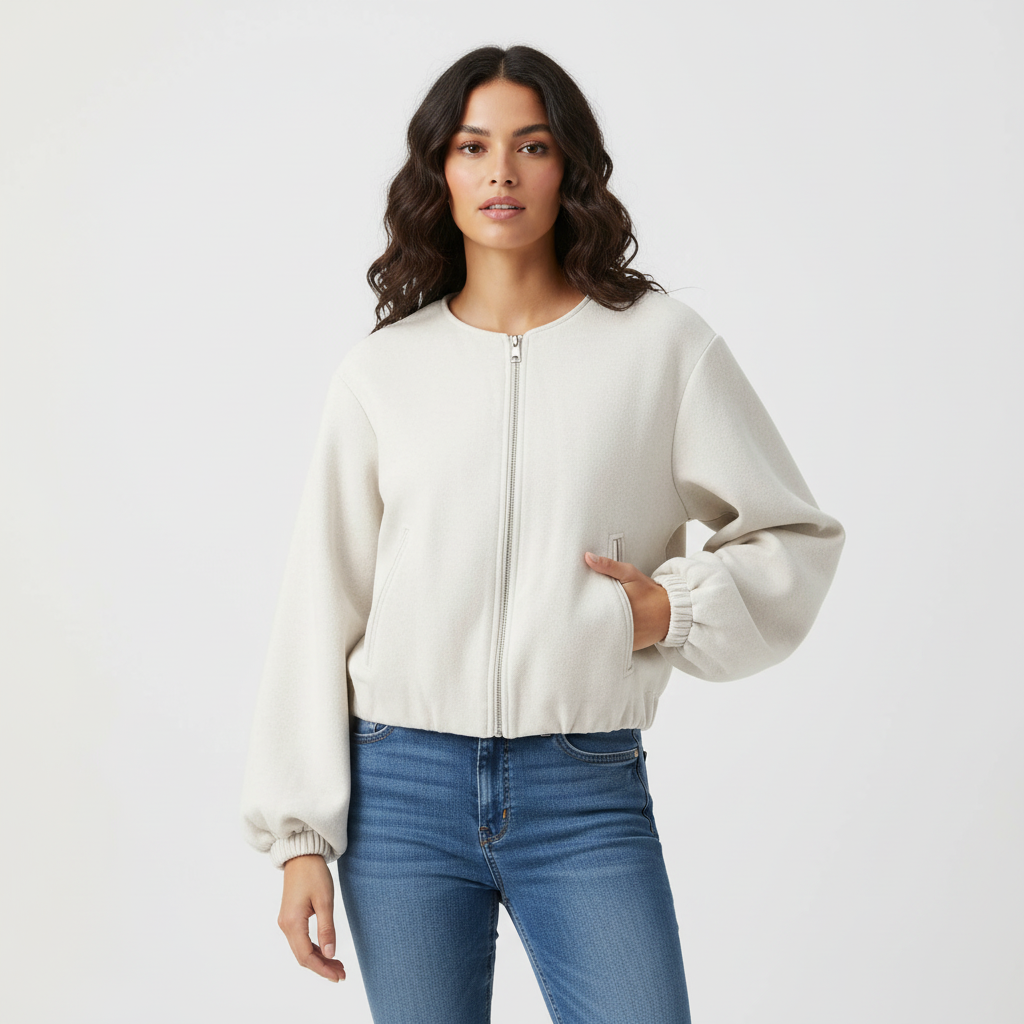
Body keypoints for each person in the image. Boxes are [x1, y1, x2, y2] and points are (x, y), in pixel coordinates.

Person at [239, 43, 845, 1024]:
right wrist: (299, 836)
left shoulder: (661, 347)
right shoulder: (382, 373)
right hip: (400, 789)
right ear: (440, 170)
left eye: (531, 145)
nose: (501, 173)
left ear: (569, 168)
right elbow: (322, 603)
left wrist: (668, 610)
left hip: (583, 787)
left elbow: (795, 533)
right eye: (473, 147)